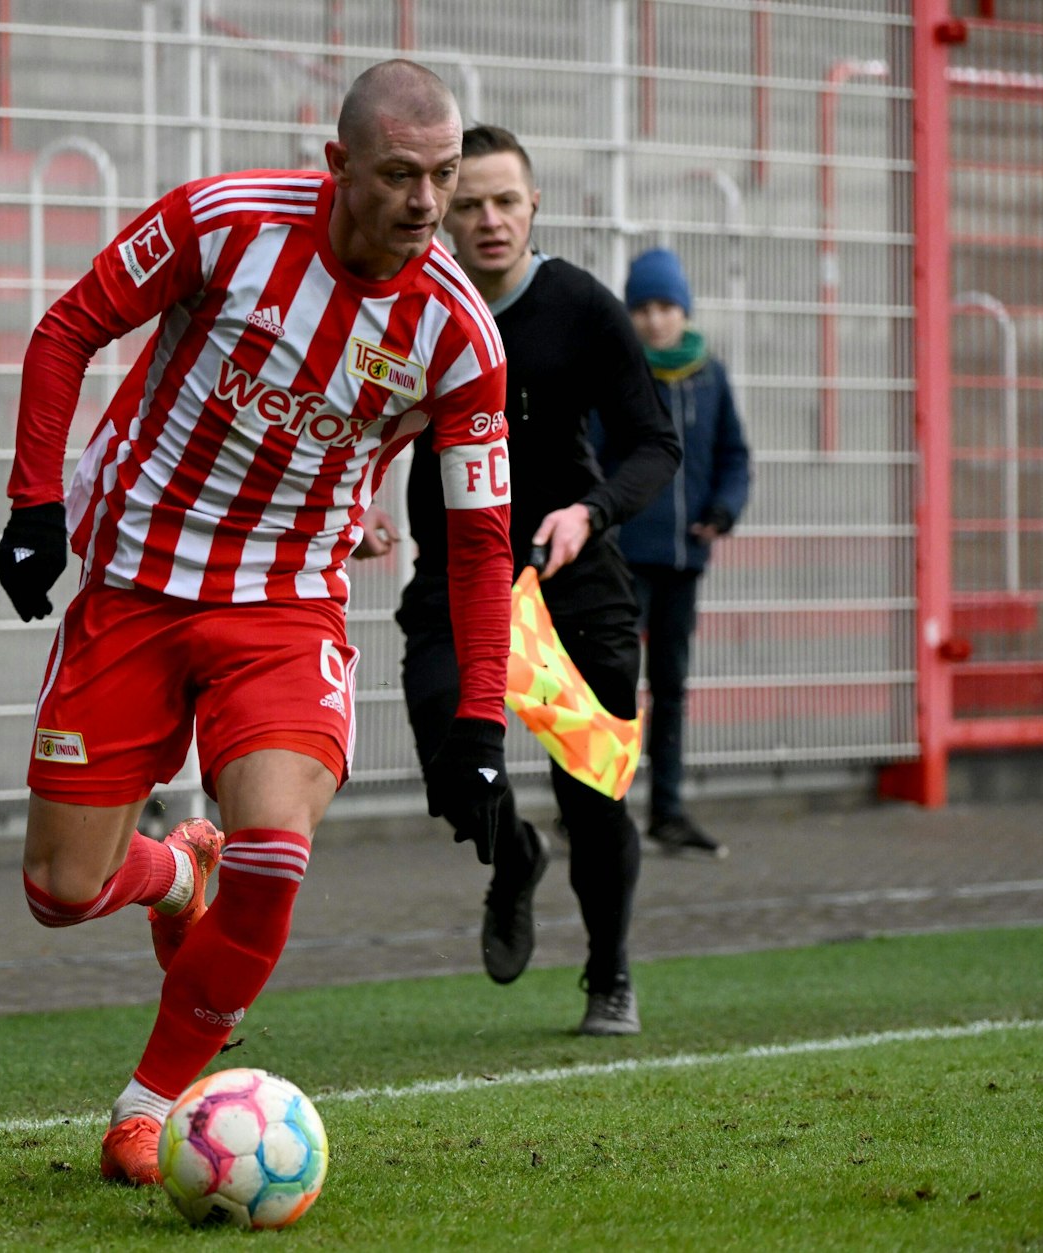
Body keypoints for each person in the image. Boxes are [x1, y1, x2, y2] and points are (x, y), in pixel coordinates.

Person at [0, 60, 516, 1188]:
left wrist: (481, 719)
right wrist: (34, 504)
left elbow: (480, 541)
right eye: (400, 174)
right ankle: (176, 873)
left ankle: (149, 1107)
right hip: (135, 580)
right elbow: (67, 328)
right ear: (338, 166)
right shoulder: (225, 224)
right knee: (59, 892)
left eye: (442, 175)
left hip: (284, 605)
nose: (427, 202)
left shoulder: (458, 335)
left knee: (275, 848)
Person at [361, 125, 680, 1036]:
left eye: (506, 201)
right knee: (452, 762)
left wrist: (592, 512)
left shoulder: (581, 307)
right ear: (439, 211)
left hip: (573, 583)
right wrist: (357, 505)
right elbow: (356, 421)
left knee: (595, 795)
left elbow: (655, 442)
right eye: (468, 204)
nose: (488, 219)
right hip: (455, 580)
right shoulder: (409, 302)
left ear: (534, 205)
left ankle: (609, 973)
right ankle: (513, 857)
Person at [613, 247, 752, 858]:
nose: (654, 320)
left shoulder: (710, 376)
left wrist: (723, 510)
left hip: (684, 560)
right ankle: (597, 808)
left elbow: (733, 456)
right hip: (622, 556)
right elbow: (593, 454)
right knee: (612, 686)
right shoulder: (617, 376)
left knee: (669, 688)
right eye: (641, 308)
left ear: (684, 311)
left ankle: (666, 811)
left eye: (665, 306)